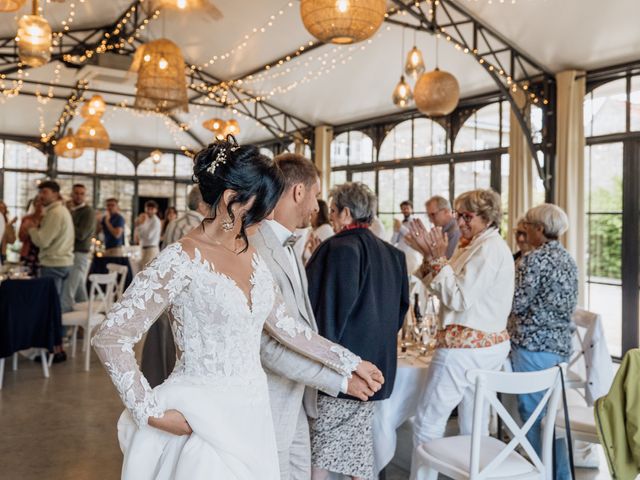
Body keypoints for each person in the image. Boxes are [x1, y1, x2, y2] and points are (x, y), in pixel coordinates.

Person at [92, 140, 379, 480]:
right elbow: (110, 338)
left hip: (253, 413)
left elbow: (287, 327)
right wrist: (150, 412)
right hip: (201, 418)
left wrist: (350, 363)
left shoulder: (252, 257)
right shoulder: (181, 259)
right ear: (231, 199)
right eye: (263, 207)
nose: (268, 216)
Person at [249, 153, 384, 480]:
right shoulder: (256, 247)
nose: (318, 204)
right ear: (298, 192)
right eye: (316, 193)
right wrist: (340, 378)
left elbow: (300, 327)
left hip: (296, 395)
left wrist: (346, 362)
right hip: (271, 398)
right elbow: (267, 346)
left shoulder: (288, 245)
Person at [405, 189, 514, 478]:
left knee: (427, 422)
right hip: (483, 347)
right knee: (474, 423)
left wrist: (438, 257)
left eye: (467, 216)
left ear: (487, 217)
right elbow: (441, 285)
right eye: (458, 214)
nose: (461, 222)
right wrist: (430, 256)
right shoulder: (476, 245)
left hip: (465, 349)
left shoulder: (489, 250)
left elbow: (458, 299)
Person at [306, 182, 409, 480]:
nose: (332, 218)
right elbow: (399, 312)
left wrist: (324, 362)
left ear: (346, 212)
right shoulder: (394, 254)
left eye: (334, 211)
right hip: (376, 367)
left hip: (342, 369)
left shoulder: (338, 248)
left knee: (321, 451)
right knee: (357, 450)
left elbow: (322, 312)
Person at [508, 203, 578, 480]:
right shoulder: (568, 259)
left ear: (539, 229)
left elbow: (517, 303)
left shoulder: (534, 260)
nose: (524, 230)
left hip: (533, 346)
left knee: (534, 415)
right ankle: (560, 474)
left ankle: (542, 473)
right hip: (559, 346)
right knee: (551, 418)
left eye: (527, 226)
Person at [28, 180, 74, 362]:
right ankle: (56, 348)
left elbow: (42, 241)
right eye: (40, 192)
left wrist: (31, 229)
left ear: (55, 193)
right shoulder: (61, 211)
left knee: (51, 308)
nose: (41, 195)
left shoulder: (55, 213)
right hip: (62, 262)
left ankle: (54, 351)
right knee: (56, 307)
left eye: (45, 192)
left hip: (54, 265)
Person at [61, 184, 95, 312]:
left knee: (67, 293)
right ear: (71, 195)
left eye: (82, 193)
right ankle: (86, 325)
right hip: (72, 253)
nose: (79, 196)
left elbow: (81, 234)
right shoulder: (72, 211)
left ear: (85, 196)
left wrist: (68, 218)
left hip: (79, 255)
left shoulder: (88, 212)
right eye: (76, 193)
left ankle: (63, 330)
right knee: (80, 294)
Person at [391, 200, 422, 274]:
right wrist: (396, 230)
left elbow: (412, 236)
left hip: (411, 255)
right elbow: (393, 241)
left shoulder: (415, 222)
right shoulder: (400, 223)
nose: (405, 210)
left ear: (411, 209)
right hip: (400, 254)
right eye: (403, 208)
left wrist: (401, 227)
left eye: (407, 208)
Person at [19, 198, 42, 276]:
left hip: (41, 253)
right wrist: (27, 229)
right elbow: (21, 237)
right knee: (26, 276)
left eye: (42, 204)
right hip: (28, 251)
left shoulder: (47, 219)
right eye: (38, 204)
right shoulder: (26, 219)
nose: (40, 206)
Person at [135, 200, 162, 266]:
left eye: (152, 209)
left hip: (151, 250)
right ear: (145, 209)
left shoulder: (156, 221)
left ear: (156, 210)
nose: (149, 211)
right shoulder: (146, 219)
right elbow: (139, 236)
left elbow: (148, 236)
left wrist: (140, 225)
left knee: (147, 273)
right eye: (148, 208)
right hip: (143, 249)